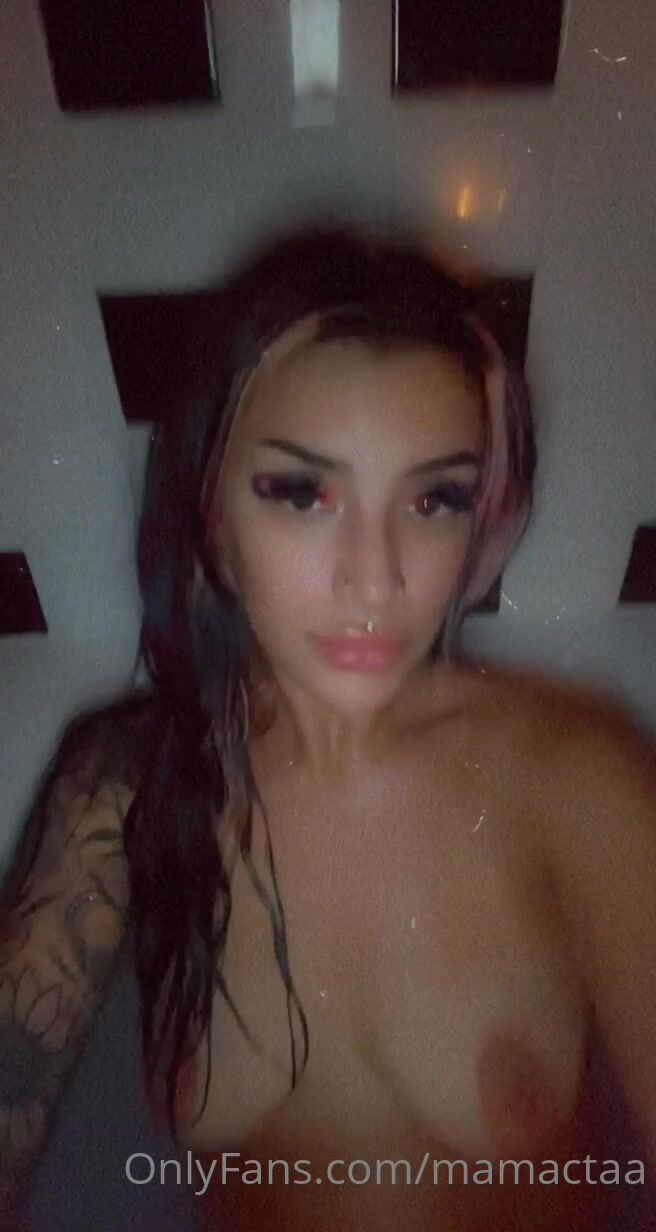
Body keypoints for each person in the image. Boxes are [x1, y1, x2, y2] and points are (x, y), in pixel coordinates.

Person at [1, 223, 655, 1232]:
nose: (375, 577)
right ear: (211, 518)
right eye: (301, 492)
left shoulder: (570, 771)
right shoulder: (121, 777)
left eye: (433, 499)